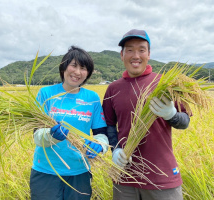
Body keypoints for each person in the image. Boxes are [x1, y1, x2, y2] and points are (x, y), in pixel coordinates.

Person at [102, 29, 190, 200]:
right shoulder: (113, 88)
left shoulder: (166, 83)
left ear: (149, 54)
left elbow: (184, 121)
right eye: (129, 50)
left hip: (162, 178)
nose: (136, 55)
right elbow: (109, 125)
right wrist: (115, 149)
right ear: (121, 55)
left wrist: (171, 115)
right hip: (124, 178)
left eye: (141, 50)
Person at [30, 46, 109, 200]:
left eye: (83, 68)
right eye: (74, 65)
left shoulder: (92, 98)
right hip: (46, 171)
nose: (77, 72)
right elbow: (36, 135)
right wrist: (51, 135)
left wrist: (100, 145)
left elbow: (101, 133)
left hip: (80, 172)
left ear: (88, 73)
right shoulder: (46, 94)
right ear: (64, 67)